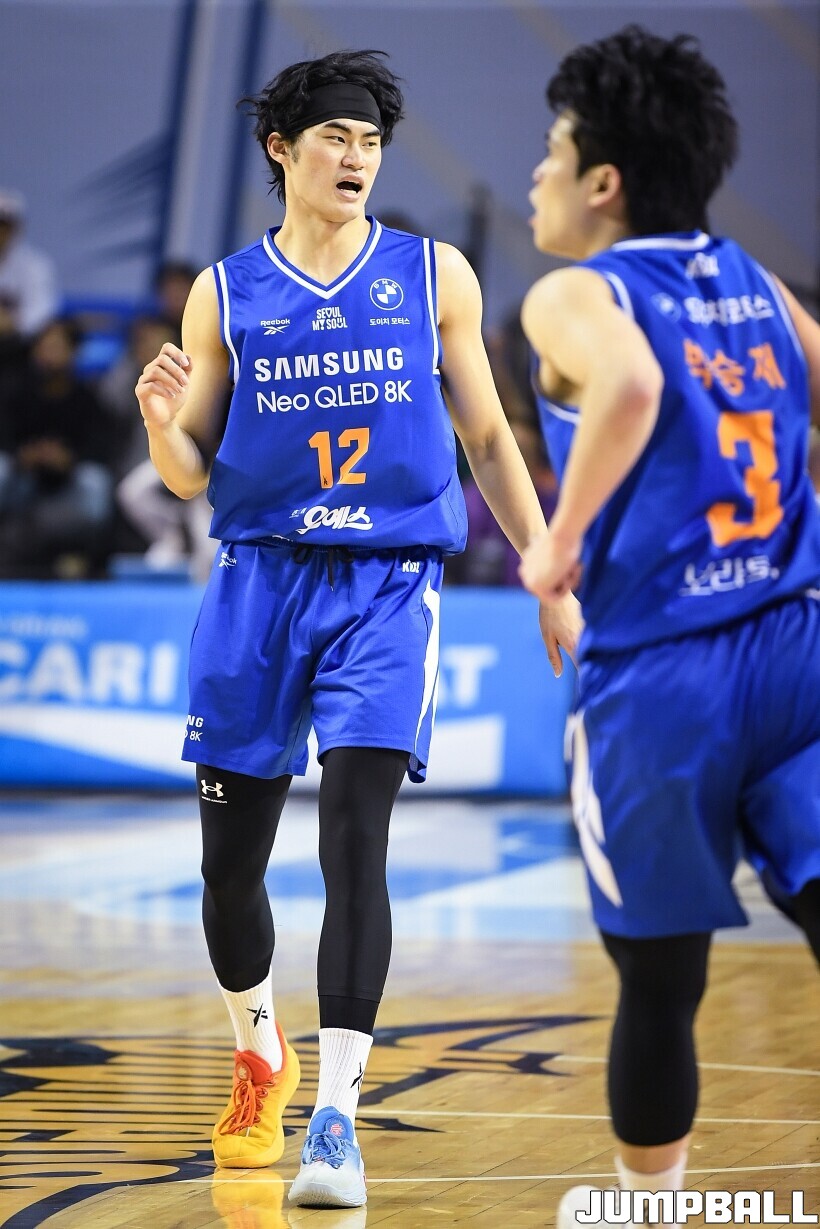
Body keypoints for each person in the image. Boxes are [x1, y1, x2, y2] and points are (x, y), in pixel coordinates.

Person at [135, 48, 580, 1209]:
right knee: (229, 869)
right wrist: (160, 429)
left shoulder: (433, 274)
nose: (356, 157)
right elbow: (190, 471)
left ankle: (335, 1115)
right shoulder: (226, 291)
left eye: (371, 141)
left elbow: (488, 438)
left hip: (386, 584)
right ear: (282, 151)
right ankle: (258, 1053)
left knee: (354, 838)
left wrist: (545, 568)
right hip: (258, 582)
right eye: (334, 137)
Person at [517, 26, 820, 1228]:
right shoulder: (754, 279)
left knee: (659, 977)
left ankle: (652, 1214)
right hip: (794, 644)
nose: (535, 174)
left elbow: (633, 385)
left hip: (660, 679)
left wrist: (555, 545)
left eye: (551, 152)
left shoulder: (573, 292)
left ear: (603, 181)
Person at [0, 317, 116, 577]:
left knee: (96, 482)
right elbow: (5, 436)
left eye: (58, 347)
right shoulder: (14, 390)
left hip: (65, 490)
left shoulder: (86, 398)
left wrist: (68, 459)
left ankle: (86, 560)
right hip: (19, 482)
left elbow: (100, 448)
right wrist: (23, 455)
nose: (50, 354)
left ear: (73, 352)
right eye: (45, 347)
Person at [0, 189, 59, 341]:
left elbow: (42, 312)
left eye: (3, 225)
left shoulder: (35, 265)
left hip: (18, 344)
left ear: (16, 228)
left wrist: (13, 323)